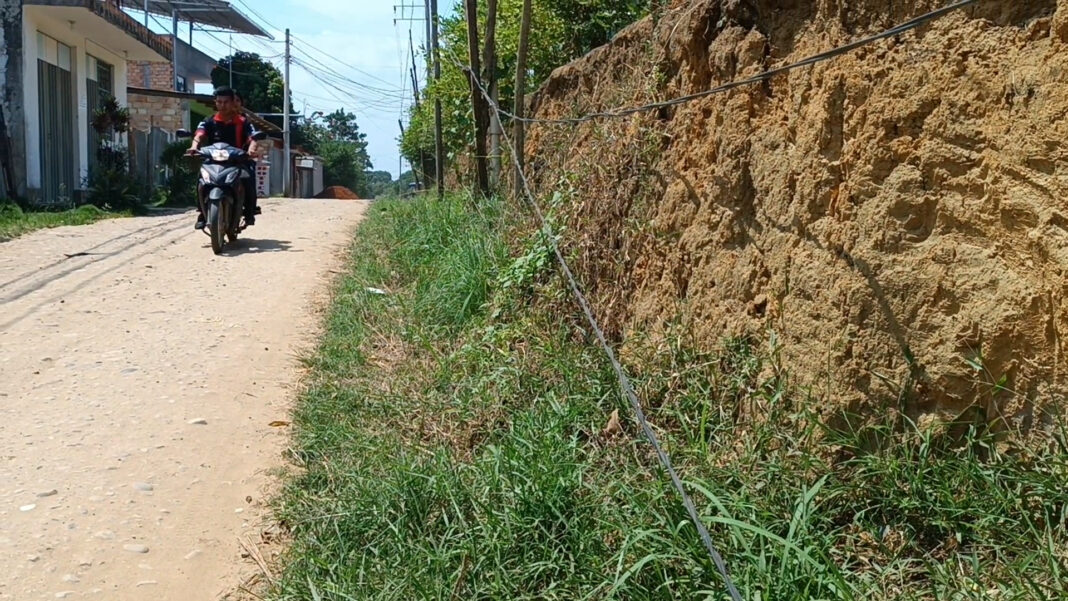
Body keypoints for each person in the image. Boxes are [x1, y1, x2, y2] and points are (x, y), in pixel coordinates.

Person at [187, 87, 260, 229]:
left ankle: (250, 212)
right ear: (215, 103)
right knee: (201, 180)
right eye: (219, 102)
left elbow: (253, 138)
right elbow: (199, 134)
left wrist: (251, 150)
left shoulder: (243, 122)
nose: (222, 105)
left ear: (233, 103)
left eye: (226, 102)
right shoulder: (209, 121)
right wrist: (194, 146)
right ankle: (202, 213)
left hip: (237, 161)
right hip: (213, 161)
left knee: (249, 178)